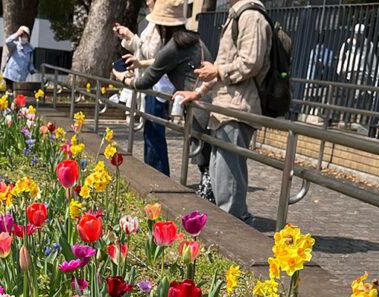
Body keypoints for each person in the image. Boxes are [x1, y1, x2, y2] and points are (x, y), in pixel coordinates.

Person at [177, 0, 271, 223]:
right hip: (223, 108)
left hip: (238, 108)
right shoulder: (235, 15)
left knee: (228, 179)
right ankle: (233, 225)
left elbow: (251, 63)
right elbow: (221, 64)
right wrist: (198, 93)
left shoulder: (251, 16)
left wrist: (218, 71)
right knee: (220, 175)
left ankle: (235, 230)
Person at [113, 0, 205, 177]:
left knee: (158, 135)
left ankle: (160, 177)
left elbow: (155, 65)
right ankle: (156, 174)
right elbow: (158, 60)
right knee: (156, 135)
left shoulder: (174, 45)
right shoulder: (193, 41)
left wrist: (122, 77)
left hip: (170, 91)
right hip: (195, 96)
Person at [114, 0, 166, 172]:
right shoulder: (152, 21)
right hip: (149, 83)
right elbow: (143, 48)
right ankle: (152, 172)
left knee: (154, 134)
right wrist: (129, 36)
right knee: (150, 133)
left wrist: (139, 63)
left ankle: (159, 175)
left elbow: (158, 57)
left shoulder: (162, 23)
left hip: (157, 85)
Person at [3, 25, 34, 93]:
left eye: (25, 36)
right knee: (9, 95)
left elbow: (30, 62)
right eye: (22, 35)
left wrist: (32, 69)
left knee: (18, 98)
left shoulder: (30, 49)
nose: (24, 38)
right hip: (10, 75)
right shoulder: (15, 45)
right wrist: (17, 33)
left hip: (21, 77)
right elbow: (7, 41)